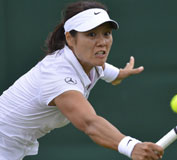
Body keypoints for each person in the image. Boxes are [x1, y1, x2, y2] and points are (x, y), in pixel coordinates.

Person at [0, 1, 164, 160]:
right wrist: (132, 146)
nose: (102, 43)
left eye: (106, 34)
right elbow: (89, 123)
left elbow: (103, 69)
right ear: (70, 38)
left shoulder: (90, 60)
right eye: (91, 34)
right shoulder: (58, 76)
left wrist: (120, 74)